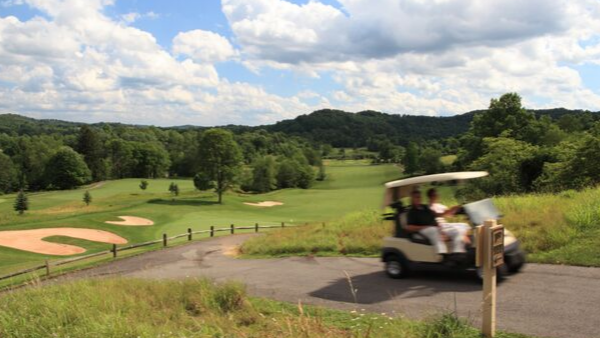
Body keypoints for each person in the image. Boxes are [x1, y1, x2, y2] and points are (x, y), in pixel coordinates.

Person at [426, 188, 470, 252]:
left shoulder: (439, 205)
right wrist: (448, 211)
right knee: (457, 231)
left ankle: (463, 242)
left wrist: (455, 209)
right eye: (435, 195)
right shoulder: (428, 207)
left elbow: (449, 214)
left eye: (437, 194)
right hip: (438, 226)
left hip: (445, 225)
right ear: (430, 196)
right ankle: (457, 251)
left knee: (465, 225)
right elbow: (438, 214)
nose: (437, 196)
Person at [405, 189, 448, 254]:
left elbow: (433, 217)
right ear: (412, 199)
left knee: (451, 229)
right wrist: (426, 227)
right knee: (434, 230)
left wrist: (440, 227)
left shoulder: (425, 207)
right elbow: (409, 228)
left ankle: (457, 254)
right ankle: (442, 254)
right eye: (416, 197)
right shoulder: (411, 212)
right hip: (421, 230)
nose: (418, 199)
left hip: (431, 228)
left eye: (419, 197)